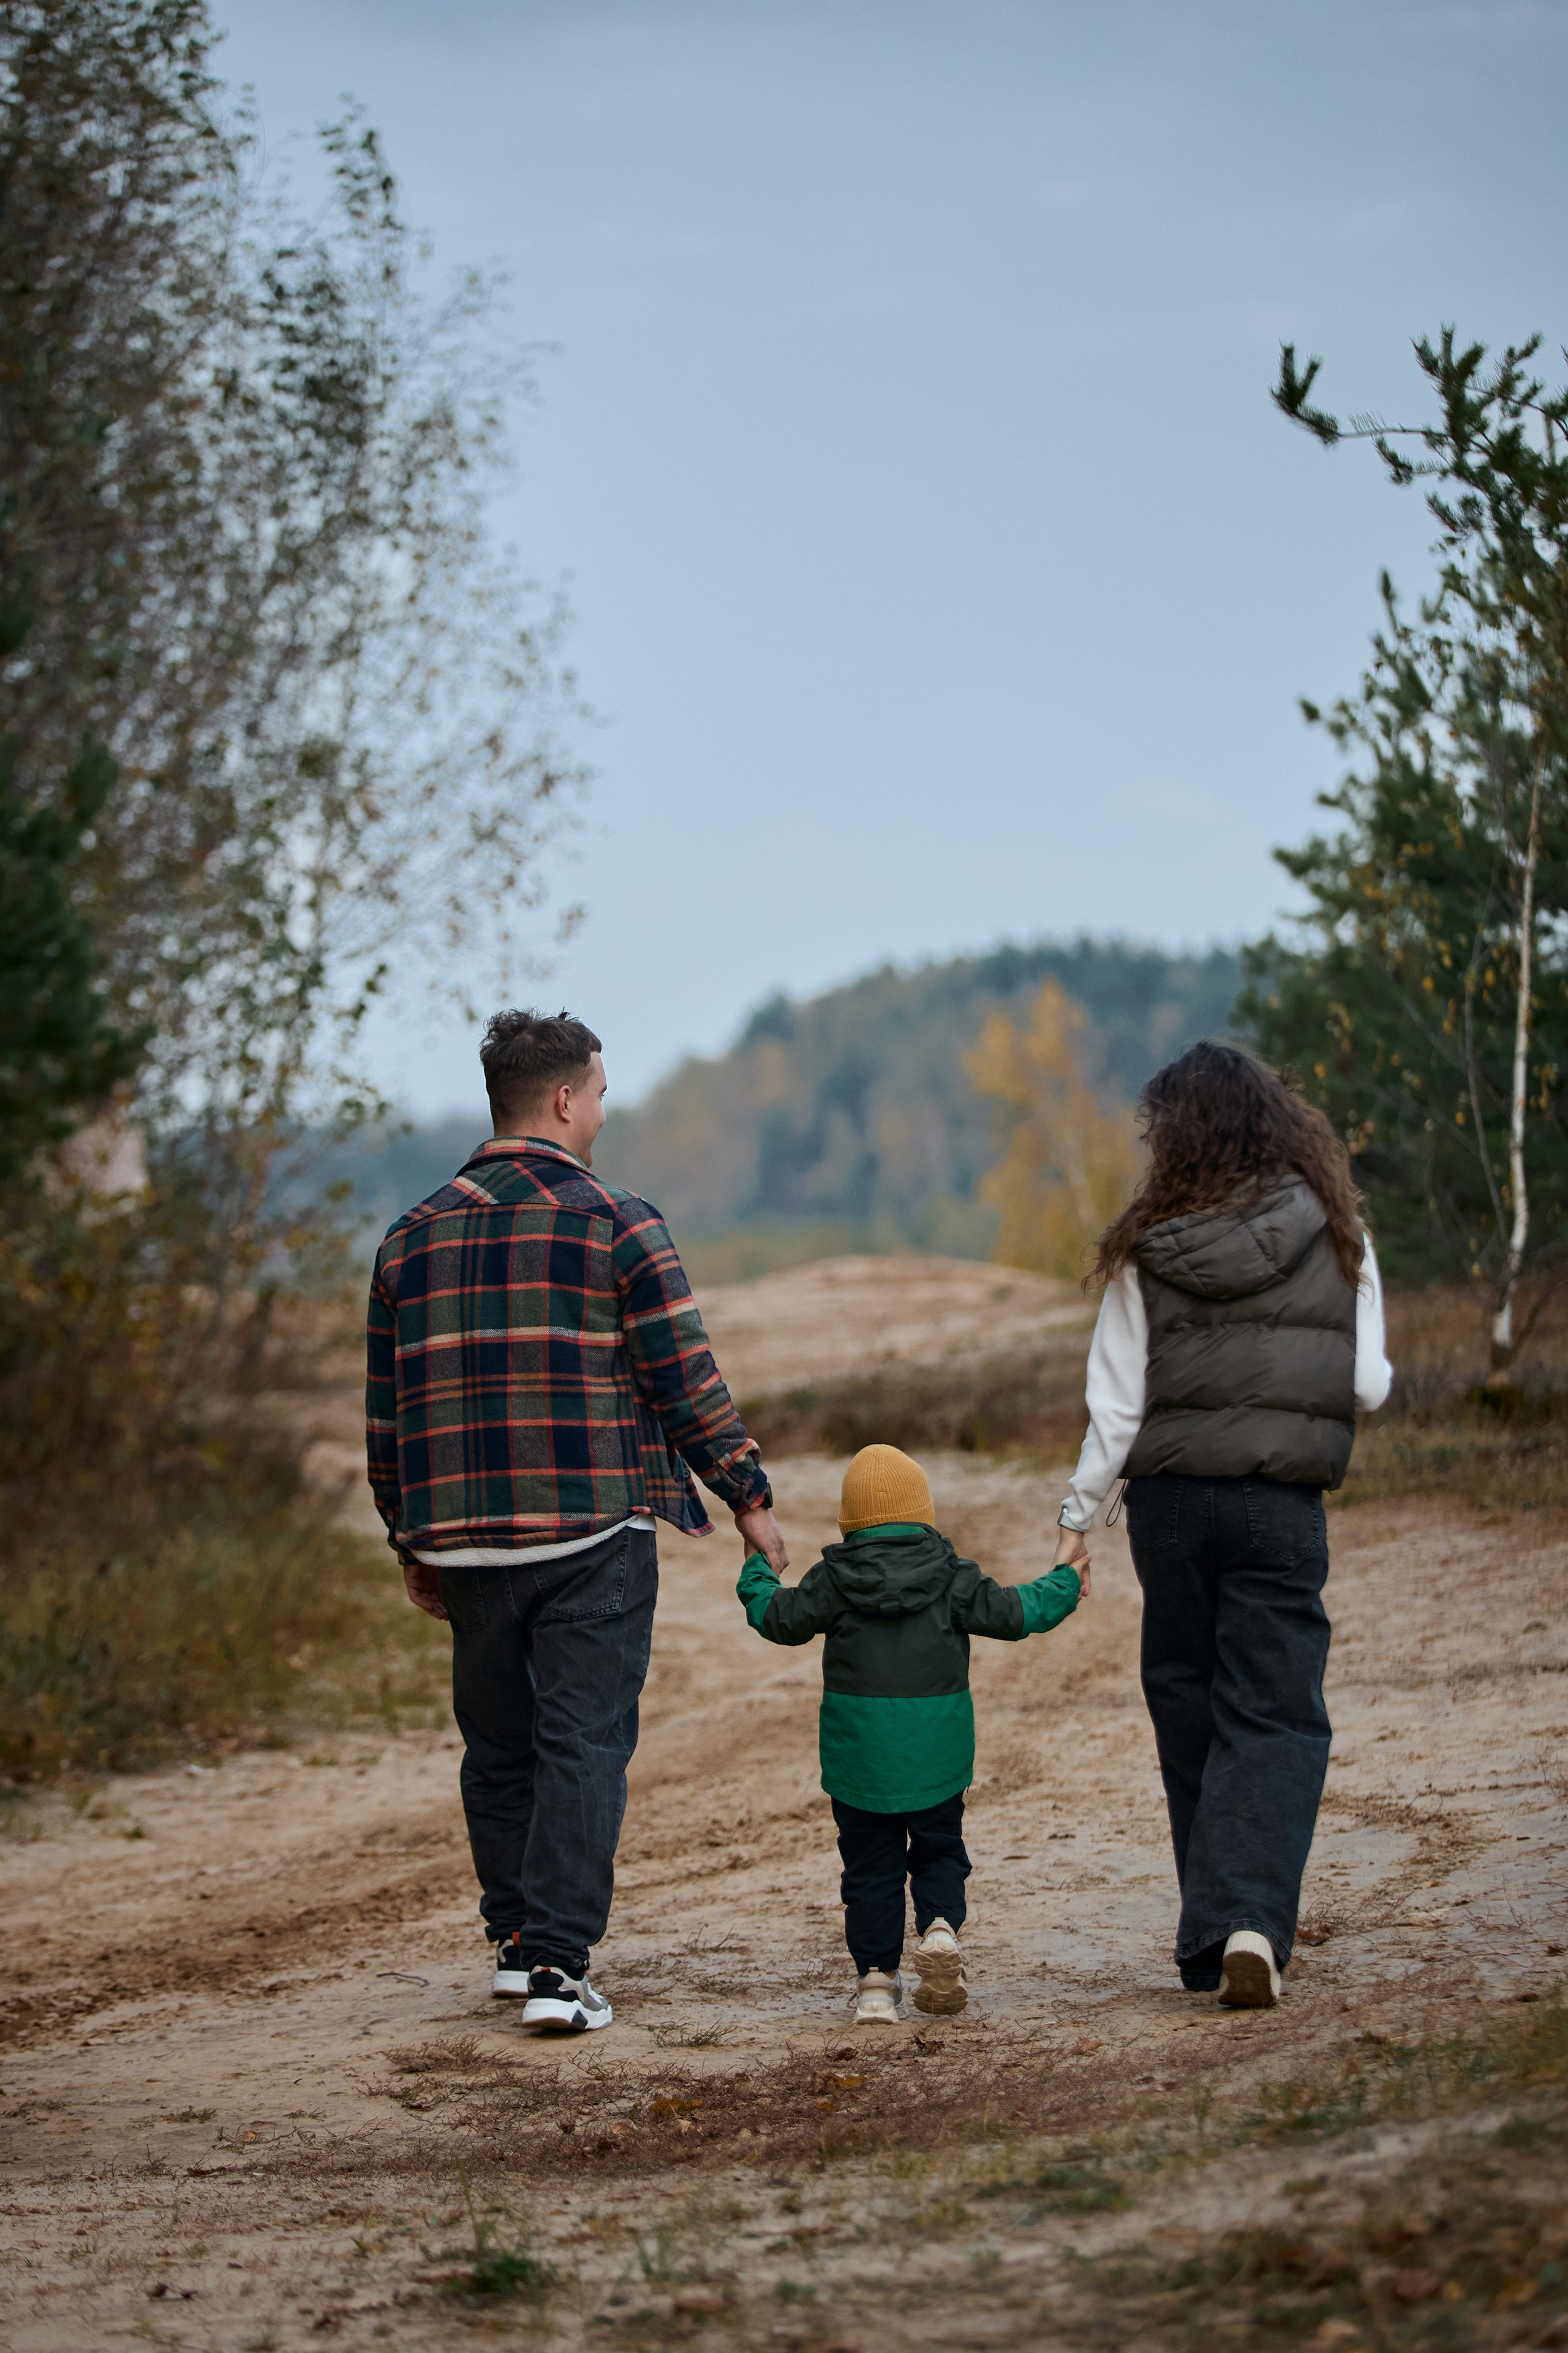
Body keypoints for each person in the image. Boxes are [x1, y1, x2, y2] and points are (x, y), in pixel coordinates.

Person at [366, 1008, 787, 2034]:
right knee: (582, 1743)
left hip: (463, 1540)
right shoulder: (617, 1220)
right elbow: (684, 1377)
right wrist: (748, 1495)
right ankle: (559, 1968)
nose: (602, 1109)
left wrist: (408, 1539)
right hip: (592, 1529)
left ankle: (515, 1944)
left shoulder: (408, 1239)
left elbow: (389, 1412)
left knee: (499, 1746)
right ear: (565, 1099)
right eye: (599, 1092)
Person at [1059, 1039, 1393, 2010]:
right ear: (1278, 1124)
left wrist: (1078, 1520)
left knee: (1190, 1701)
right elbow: (1366, 1382)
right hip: (1280, 1505)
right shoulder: (1339, 1231)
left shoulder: (1146, 1245)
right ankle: (1250, 1920)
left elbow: (1115, 1408)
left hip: (1171, 1509)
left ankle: (1211, 1939)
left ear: (1176, 1136)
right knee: (1276, 1710)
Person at [738, 1442, 1087, 2023]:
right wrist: (1068, 1582)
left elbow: (775, 1616)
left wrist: (758, 1564)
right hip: (937, 1758)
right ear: (923, 1511)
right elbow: (1018, 1611)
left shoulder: (833, 1580)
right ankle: (942, 1931)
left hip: (860, 1764)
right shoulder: (952, 1577)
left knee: (870, 1869)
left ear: (850, 1521)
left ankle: (876, 1984)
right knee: (940, 1850)